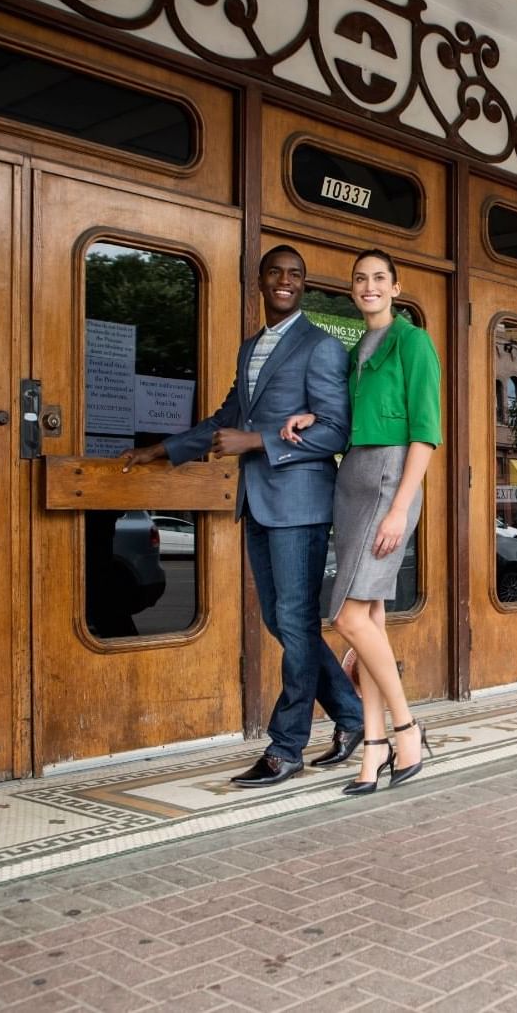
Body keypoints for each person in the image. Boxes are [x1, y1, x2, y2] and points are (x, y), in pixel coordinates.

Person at [121, 245, 364, 788]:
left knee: (295, 622)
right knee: (283, 622)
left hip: (299, 503)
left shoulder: (320, 347)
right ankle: (351, 715)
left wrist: (255, 441)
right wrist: (162, 450)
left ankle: (286, 747)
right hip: (257, 501)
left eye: (295, 275)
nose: (285, 281)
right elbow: (225, 418)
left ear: (304, 285)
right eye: (276, 273)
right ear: (259, 280)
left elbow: (334, 432)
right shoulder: (251, 347)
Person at [281, 248, 441, 795]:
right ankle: (372, 748)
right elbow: (351, 416)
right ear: (352, 289)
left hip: (387, 478)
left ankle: (407, 727)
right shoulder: (358, 349)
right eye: (360, 279)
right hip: (351, 478)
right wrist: (313, 417)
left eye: (379, 278)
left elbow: (425, 432)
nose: (369, 286)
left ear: (396, 287)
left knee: (346, 618)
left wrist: (400, 505)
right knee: (369, 616)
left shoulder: (411, 340)